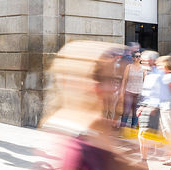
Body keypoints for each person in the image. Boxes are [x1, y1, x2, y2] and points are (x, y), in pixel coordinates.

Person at [39, 40, 146, 170]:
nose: (110, 88)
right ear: (75, 83)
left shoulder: (95, 132)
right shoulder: (78, 152)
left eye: (110, 78)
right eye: (100, 78)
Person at [135, 50, 161, 162]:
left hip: (153, 108)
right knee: (142, 134)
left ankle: (145, 158)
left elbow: (159, 92)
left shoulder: (158, 74)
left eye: (144, 59)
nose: (141, 61)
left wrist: (152, 107)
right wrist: (141, 105)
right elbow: (146, 92)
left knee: (145, 134)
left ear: (152, 61)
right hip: (145, 106)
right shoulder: (148, 73)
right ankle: (144, 158)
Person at [119, 49, 144, 128]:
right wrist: (122, 92)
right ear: (133, 58)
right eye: (136, 56)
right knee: (126, 111)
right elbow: (124, 79)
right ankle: (122, 128)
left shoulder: (143, 68)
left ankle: (133, 129)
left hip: (139, 92)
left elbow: (145, 81)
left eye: (139, 56)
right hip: (129, 91)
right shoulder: (129, 67)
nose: (138, 58)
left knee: (135, 112)